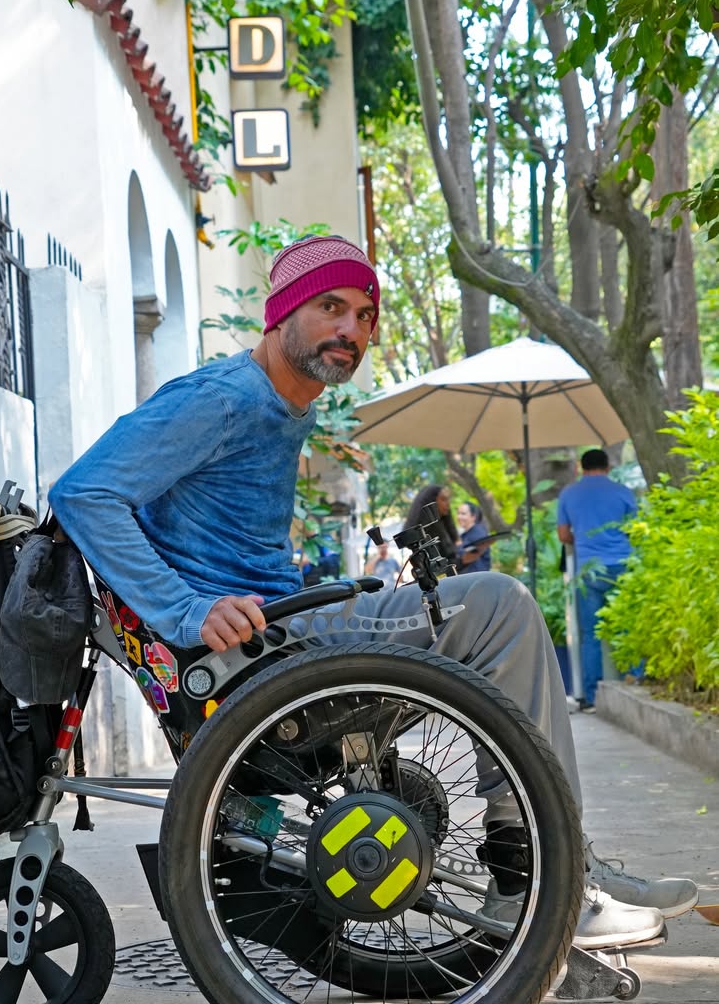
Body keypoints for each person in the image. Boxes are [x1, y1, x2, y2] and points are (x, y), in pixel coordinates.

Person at [50, 234, 696, 944]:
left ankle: (562, 859)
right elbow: (84, 493)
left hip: (283, 628)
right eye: (331, 307)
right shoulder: (223, 398)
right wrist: (185, 608)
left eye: (364, 316)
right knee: (499, 607)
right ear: (283, 311)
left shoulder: (286, 405)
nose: (350, 330)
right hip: (263, 651)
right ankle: (532, 873)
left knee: (489, 605)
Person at [557, 449, 637, 713]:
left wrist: (583, 537)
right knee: (628, 628)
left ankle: (590, 699)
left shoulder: (569, 494)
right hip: (622, 567)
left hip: (588, 570)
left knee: (590, 634)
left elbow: (563, 535)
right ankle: (636, 682)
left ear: (581, 467)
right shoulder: (623, 491)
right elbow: (634, 530)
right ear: (608, 466)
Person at [404, 483, 459, 568]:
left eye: (448, 499)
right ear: (431, 502)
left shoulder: (445, 527)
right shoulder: (422, 539)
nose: (448, 504)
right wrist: (464, 559)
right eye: (443, 499)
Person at [456, 501, 492, 574]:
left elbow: (464, 555)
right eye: (458, 513)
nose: (459, 517)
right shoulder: (465, 534)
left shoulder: (478, 533)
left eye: (463, 514)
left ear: (473, 517)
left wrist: (458, 545)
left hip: (476, 578)